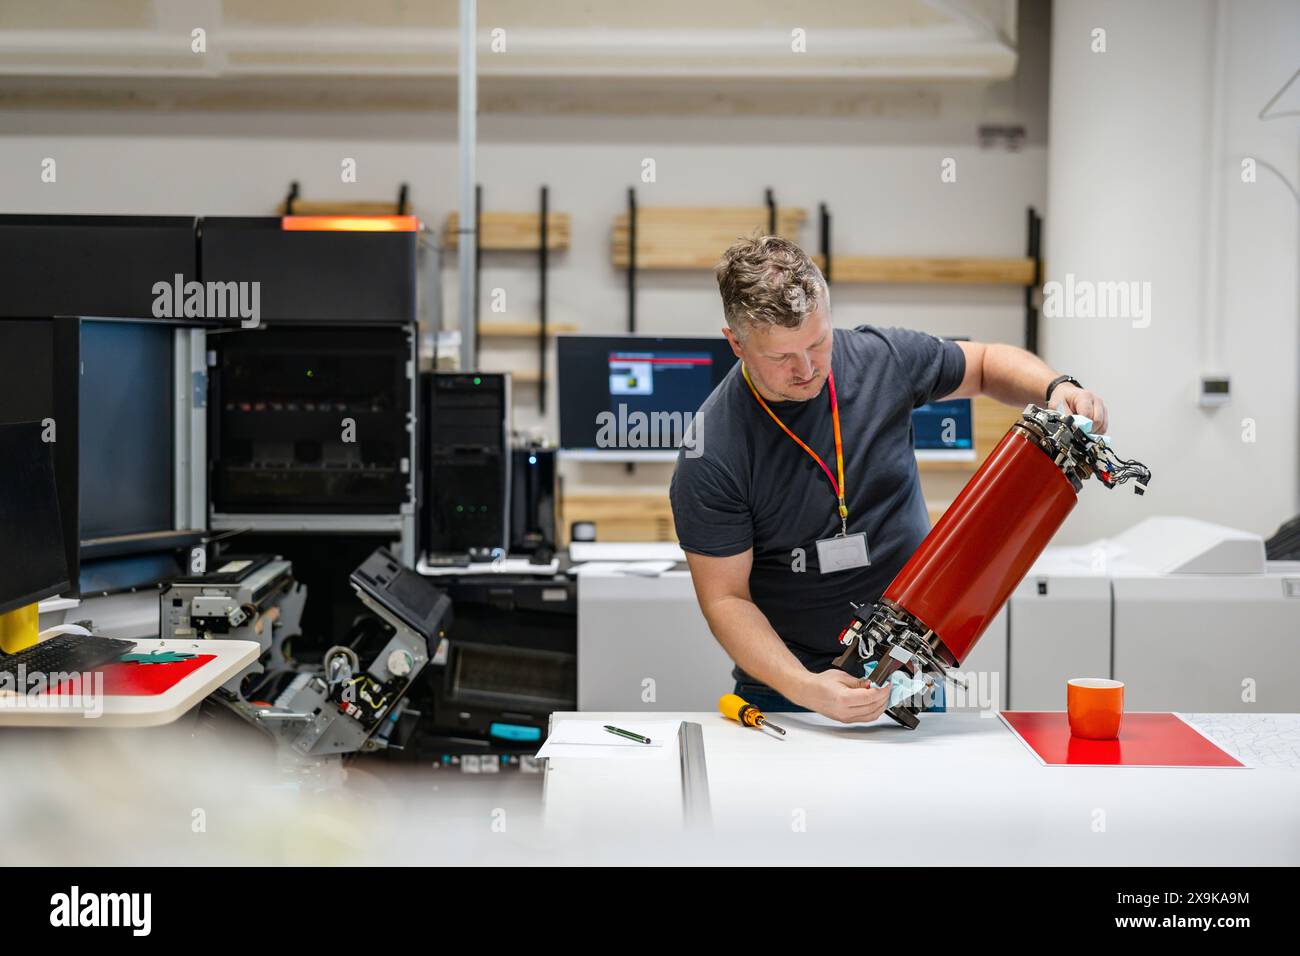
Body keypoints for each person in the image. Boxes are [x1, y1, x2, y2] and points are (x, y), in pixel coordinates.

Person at [670, 235, 1108, 723]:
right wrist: (809, 688)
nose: (809, 368)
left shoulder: (882, 360)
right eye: (782, 358)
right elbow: (726, 599)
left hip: (911, 679)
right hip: (791, 696)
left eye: (818, 342)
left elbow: (983, 365)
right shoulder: (713, 452)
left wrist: (1057, 386)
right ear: (735, 342)